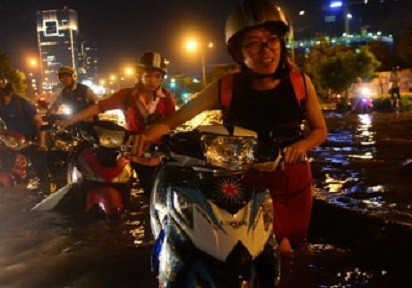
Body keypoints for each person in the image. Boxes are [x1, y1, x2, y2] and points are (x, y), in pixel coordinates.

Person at [127, 0, 327, 255]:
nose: (266, 51)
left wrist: (301, 146)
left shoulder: (301, 83)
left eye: (272, 40)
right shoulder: (226, 87)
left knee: (293, 248)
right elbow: (175, 120)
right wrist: (146, 135)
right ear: (238, 52)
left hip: (293, 180)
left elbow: (320, 130)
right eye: (253, 43)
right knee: (264, 250)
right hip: (244, 180)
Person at [55, 51, 177, 194]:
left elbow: (173, 121)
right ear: (139, 75)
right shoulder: (126, 95)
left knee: (164, 190)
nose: (153, 80)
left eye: (157, 76)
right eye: (148, 75)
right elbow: (99, 107)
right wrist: (71, 120)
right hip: (134, 152)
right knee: (142, 189)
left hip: (160, 153)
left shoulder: (166, 96)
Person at [0, 80, 49, 184]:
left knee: (40, 170)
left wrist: (41, 143)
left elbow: (40, 123)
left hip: (31, 140)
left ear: (1, 92)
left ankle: (44, 188)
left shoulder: (21, 102)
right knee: (11, 169)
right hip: (14, 141)